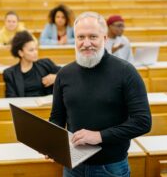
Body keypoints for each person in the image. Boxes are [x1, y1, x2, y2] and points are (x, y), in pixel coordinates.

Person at [49, 12, 151, 177]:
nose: (86, 43)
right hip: (72, 166)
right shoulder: (64, 74)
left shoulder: (126, 72)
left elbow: (143, 122)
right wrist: (51, 143)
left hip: (111, 168)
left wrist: (99, 136)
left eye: (93, 37)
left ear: (105, 39)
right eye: (80, 37)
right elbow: (57, 117)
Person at [3, 30, 61, 97]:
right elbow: (11, 98)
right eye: (31, 50)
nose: (35, 52)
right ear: (20, 53)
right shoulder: (10, 74)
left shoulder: (46, 64)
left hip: (46, 107)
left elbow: (67, 74)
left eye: (36, 49)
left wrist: (56, 77)